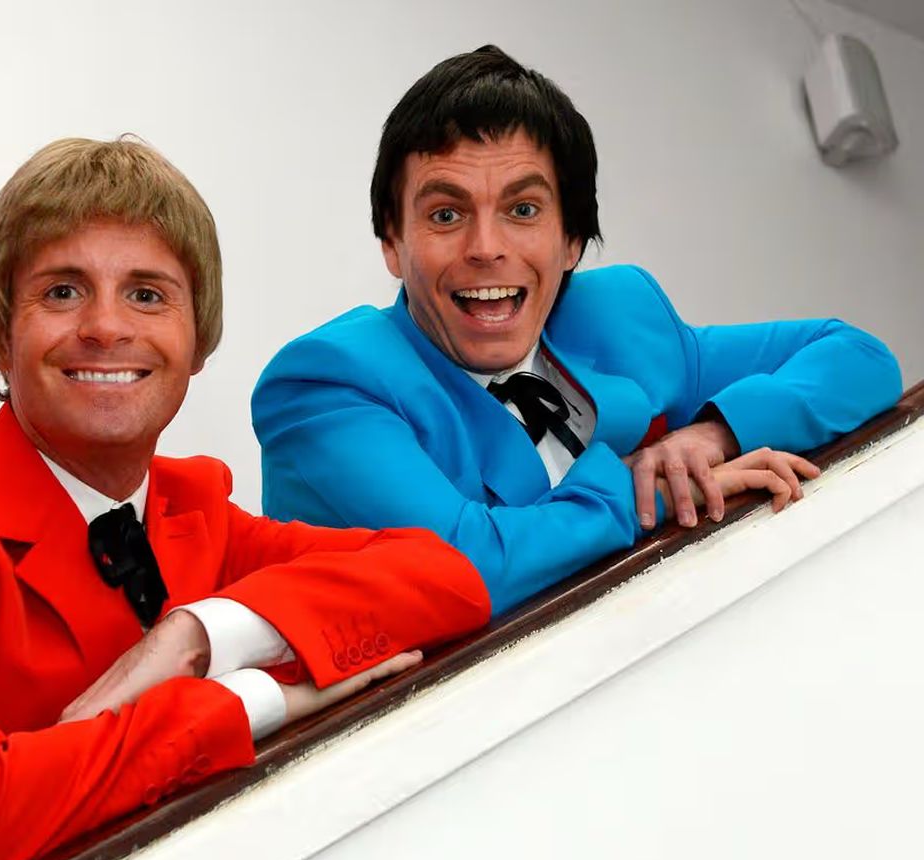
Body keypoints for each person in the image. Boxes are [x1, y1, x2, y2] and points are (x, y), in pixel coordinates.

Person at [0, 137, 491, 860]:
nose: (106, 327)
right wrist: (241, 701)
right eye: (63, 291)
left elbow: (448, 581)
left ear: (199, 340)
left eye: (147, 295)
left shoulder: (194, 513)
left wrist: (194, 638)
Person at [252, 45, 902, 616]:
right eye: (446, 214)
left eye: (523, 209)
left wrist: (713, 435)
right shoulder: (325, 384)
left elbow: (858, 357)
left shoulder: (620, 314)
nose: (486, 247)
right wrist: (643, 486)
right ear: (392, 243)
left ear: (570, 241)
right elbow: (465, 566)